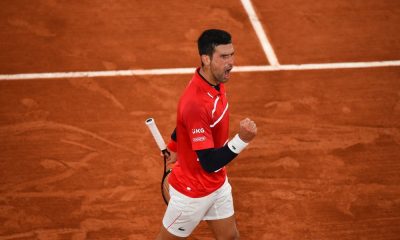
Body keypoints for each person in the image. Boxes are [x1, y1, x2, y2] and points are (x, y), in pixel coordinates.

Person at [156, 29, 257, 240]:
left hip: (217, 184)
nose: (230, 62)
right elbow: (209, 162)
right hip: (193, 193)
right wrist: (242, 140)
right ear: (206, 59)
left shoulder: (214, 80)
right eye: (223, 56)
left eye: (232, 55)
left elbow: (187, 124)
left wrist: (173, 146)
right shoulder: (196, 102)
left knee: (230, 238)